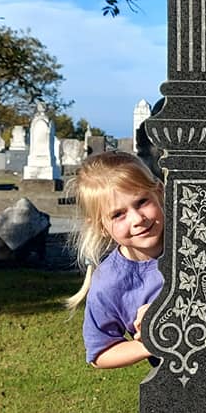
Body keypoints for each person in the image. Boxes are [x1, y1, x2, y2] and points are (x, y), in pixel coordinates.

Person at [65, 152, 165, 368]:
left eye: (142, 201)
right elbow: (100, 352)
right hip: (182, 389)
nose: (138, 219)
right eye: (118, 214)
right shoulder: (109, 283)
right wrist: (151, 341)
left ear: (159, 192)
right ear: (101, 226)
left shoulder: (199, 241)